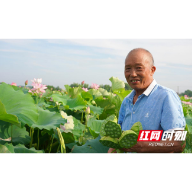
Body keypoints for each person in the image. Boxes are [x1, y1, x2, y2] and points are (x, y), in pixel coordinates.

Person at [108, 48, 186, 154]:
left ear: (152, 70)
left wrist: (139, 146)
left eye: (139, 68)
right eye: (128, 69)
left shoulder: (165, 96)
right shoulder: (126, 101)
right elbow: (118, 138)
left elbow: (178, 143)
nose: (133, 74)